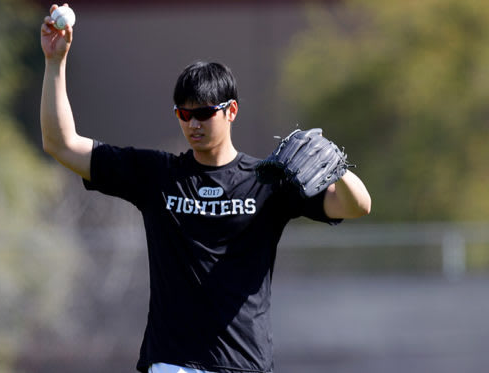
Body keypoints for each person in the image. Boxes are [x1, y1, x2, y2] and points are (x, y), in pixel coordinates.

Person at [40, 4, 371, 373]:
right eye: (184, 114)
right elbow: (62, 144)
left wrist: (336, 168)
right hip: (173, 363)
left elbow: (356, 206)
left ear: (231, 111)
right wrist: (56, 62)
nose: (193, 123)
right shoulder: (157, 174)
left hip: (244, 363)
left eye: (203, 113)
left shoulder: (269, 180)